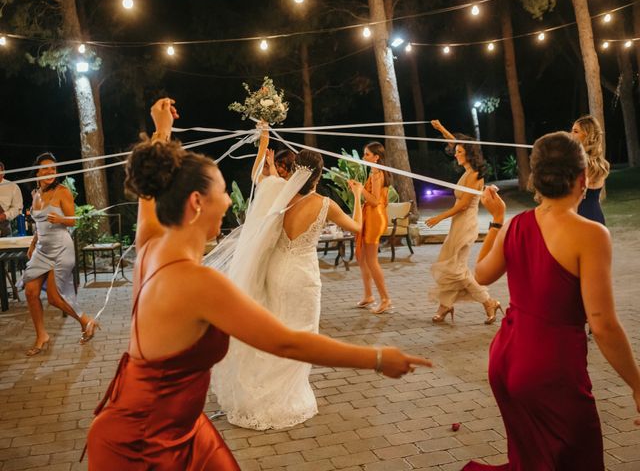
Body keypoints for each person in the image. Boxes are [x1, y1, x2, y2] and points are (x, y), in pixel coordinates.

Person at [86, 98, 431, 469]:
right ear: (198, 202)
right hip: (145, 445)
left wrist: (162, 133)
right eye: (222, 191)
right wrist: (378, 358)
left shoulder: (151, 247)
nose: (229, 202)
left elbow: (149, 193)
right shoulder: (197, 282)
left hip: (175, 427)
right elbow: (287, 341)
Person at [465, 132, 640, 470]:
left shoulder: (516, 225)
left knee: (533, 460)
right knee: (578, 459)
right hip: (549, 367)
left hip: (505, 360)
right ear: (582, 178)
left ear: (536, 179)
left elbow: (481, 274)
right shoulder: (590, 234)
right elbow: (602, 323)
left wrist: (496, 221)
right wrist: (636, 382)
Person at [211, 122, 371, 430]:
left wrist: (265, 142)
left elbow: (258, 175)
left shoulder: (280, 197)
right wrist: (358, 197)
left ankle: (260, 391)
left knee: (277, 329)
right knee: (300, 334)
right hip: (301, 275)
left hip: (275, 271)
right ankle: (284, 398)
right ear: (319, 175)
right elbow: (357, 229)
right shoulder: (324, 203)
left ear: (296, 172)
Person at [21, 153, 97, 356]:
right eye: (45, 169)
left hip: (61, 248)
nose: (49, 172)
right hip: (42, 249)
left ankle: (85, 320)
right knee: (30, 292)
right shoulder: (35, 194)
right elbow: (39, 225)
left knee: (54, 298)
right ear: (37, 171)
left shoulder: (63, 192)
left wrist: (61, 219)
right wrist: (33, 243)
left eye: (53, 169)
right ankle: (42, 335)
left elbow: (73, 220)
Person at [426, 120, 501, 324]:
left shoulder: (475, 176)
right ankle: (445, 306)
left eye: (460, 151)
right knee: (451, 266)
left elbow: (464, 205)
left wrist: (439, 217)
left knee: (456, 269)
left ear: (468, 153)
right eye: (456, 150)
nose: (455, 153)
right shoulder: (467, 171)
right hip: (457, 225)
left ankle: (488, 301)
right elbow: (456, 143)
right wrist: (442, 129)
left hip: (466, 225)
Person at [355, 141, 392, 315]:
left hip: (375, 217)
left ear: (376, 157)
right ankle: (369, 295)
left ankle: (385, 299)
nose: (364, 157)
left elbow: (375, 200)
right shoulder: (375, 172)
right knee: (362, 257)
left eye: (367, 154)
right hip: (370, 215)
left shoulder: (378, 173)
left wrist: (360, 190)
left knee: (371, 260)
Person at [571, 115, 609, 225]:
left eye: (576, 131)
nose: (571, 134)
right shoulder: (602, 164)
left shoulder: (577, 163)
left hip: (579, 217)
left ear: (587, 135)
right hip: (596, 216)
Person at [0, 161, 24, 237]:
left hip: (4, 226)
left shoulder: (12, 187)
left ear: (3, 173)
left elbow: (18, 208)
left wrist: (5, 215)